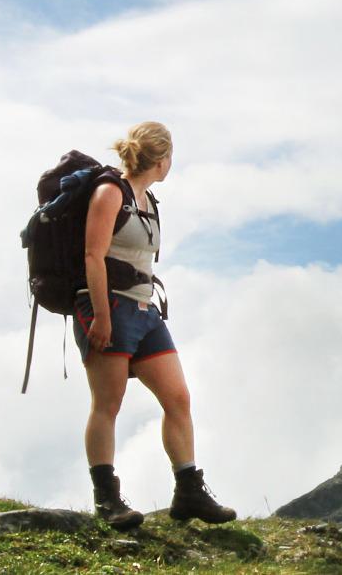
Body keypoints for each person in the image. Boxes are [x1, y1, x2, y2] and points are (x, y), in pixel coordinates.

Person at [78, 121, 234, 529]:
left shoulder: (148, 200)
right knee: (107, 404)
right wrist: (102, 317)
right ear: (161, 159)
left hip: (146, 312)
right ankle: (107, 500)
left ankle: (188, 491)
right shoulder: (110, 193)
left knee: (178, 398)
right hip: (109, 307)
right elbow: (93, 256)